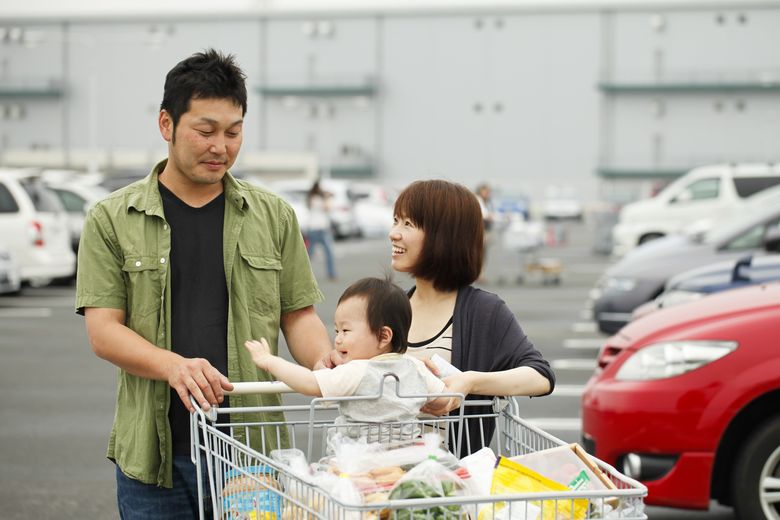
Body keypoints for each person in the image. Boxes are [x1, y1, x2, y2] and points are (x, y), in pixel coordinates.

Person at [75, 49, 334, 519]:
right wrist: (173, 366)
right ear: (166, 125)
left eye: (234, 132)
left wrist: (326, 362)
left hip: (252, 454)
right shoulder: (111, 218)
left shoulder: (273, 215)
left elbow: (298, 314)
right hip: (155, 457)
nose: (221, 146)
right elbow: (103, 330)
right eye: (205, 130)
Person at [388, 179, 555, 453]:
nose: (394, 233)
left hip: (448, 485)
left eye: (408, 224)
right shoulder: (389, 306)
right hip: (380, 475)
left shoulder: (482, 311)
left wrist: (471, 381)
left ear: (444, 235)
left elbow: (541, 377)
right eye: (396, 221)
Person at [244, 277, 449, 441]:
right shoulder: (415, 366)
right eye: (336, 330)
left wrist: (271, 361)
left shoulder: (357, 370)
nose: (338, 339)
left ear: (383, 336)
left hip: (357, 463)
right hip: (406, 458)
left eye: (345, 330)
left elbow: (309, 382)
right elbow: (446, 398)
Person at [304, 180, 337, 280]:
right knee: (328, 253)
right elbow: (327, 208)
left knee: (309, 254)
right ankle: (331, 274)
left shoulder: (311, 198)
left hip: (314, 228)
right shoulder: (319, 199)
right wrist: (326, 197)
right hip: (321, 228)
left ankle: (304, 274)